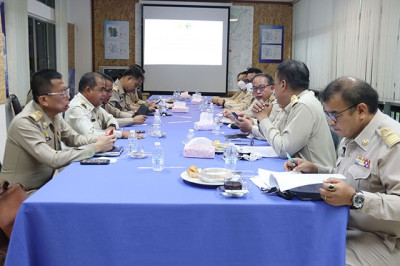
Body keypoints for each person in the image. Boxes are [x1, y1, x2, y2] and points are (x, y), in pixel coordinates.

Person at [284, 77, 400, 265]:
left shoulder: (391, 144)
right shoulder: (352, 133)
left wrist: (356, 199)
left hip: (383, 240)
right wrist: (316, 169)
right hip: (343, 226)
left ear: (361, 110)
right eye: (327, 115)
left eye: (334, 115)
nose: (330, 122)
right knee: (290, 243)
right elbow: (351, 176)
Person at [0, 69, 114, 193]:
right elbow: (53, 159)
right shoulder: (25, 123)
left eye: (67, 90)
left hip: (45, 186)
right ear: (44, 100)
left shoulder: (54, 115)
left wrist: (104, 139)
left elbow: (75, 139)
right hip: (21, 194)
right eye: (62, 93)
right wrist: (95, 148)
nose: (68, 96)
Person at [253, 60, 336, 167]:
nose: (274, 92)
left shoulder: (304, 105)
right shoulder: (293, 102)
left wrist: (264, 119)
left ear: (283, 85)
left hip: (316, 177)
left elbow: (283, 150)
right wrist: (263, 119)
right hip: (299, 170)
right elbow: (275, 136)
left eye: (275, 85)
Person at [65, 72, 129, 139]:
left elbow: (111, 118)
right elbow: (91, 135)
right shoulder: (76, 108)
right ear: (88, 90)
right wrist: (121, 134)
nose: (104, 94)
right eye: (101, 90)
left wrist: (111, 126)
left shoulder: (94, 105)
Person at [232, 73, 280, 139]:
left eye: (262, 87)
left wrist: (251, 127)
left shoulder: (277, 103)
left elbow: (269, 129)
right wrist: (251, 121)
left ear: (272, 88)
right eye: (254, 88)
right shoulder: (260, 99)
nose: (258, 91)